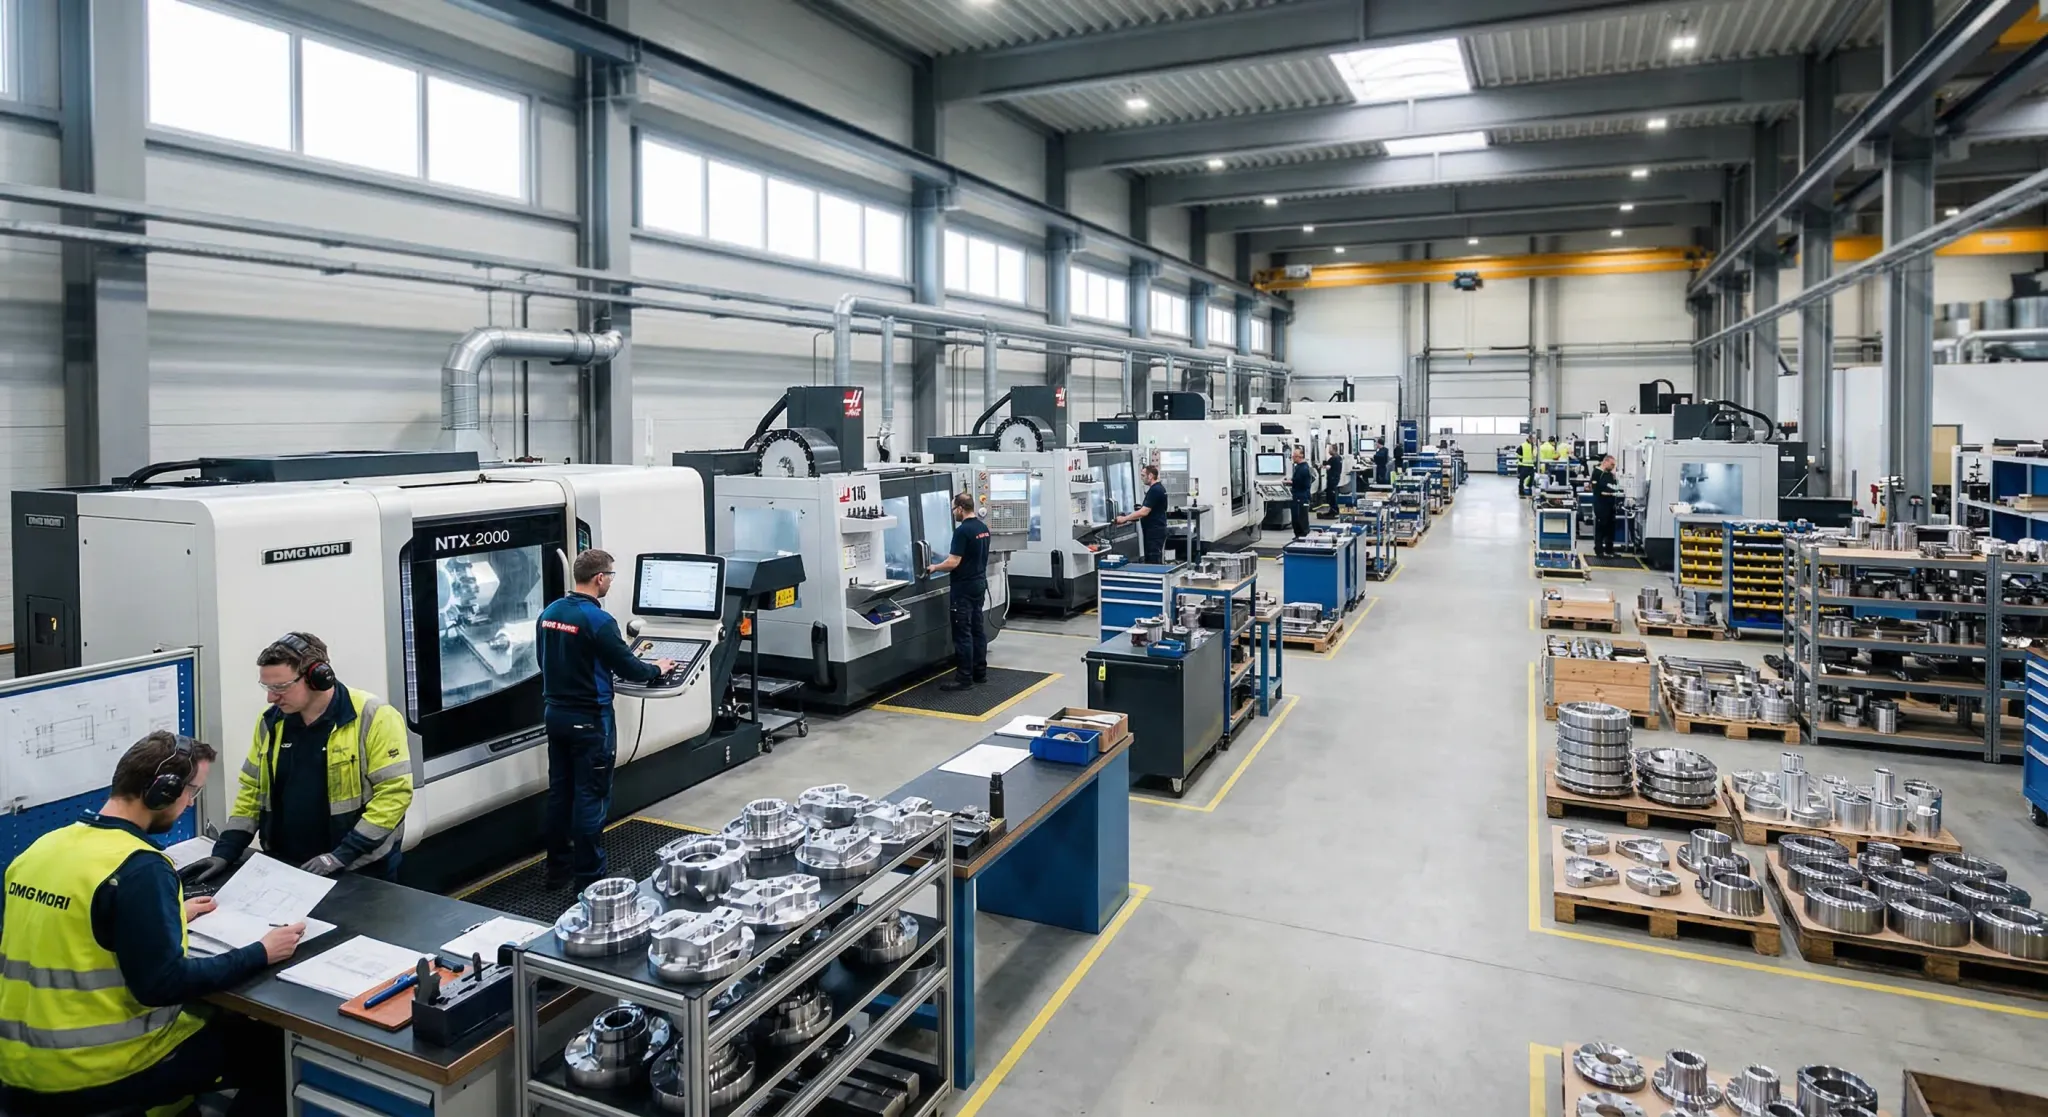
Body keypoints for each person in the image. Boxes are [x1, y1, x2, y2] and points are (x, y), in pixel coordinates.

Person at [0, 732, 304, 1117]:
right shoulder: (139, 867)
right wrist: (262, 951)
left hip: (18, 1067)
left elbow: (78, 924)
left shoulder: (41, 850)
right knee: (270, 1048)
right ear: (163, 791)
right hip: (95, 1071)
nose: (189, 802)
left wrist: (171, 913)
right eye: (191, 792)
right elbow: (163, 984)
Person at [208, 632, 413, 882]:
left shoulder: (374, 717)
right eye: (267, 687)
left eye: (280, 687)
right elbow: (252, 791)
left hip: (359, 869)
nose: (271, 697)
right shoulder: (271, 721)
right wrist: (226, 850)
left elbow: (394, 794)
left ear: (318, 678)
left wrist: (341, 855)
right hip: (288, 864)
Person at [536, 551, 674, 890]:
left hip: (555, 715)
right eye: (610, 575)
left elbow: (544, 661)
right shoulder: (599, 621)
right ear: (599, 578)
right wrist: (659, 668)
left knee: (560, 794)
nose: (611, 580)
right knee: (590, 797)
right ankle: (589, 880)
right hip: (591, 720)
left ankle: (557, 871)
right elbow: (630, 668)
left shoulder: (549, 613)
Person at [928, 492, 991, 692]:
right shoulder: (983, 528)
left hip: (963, 588)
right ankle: (980, 673)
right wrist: (941, 557)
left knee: (962, 632)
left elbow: (954, 562)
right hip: (979, 584)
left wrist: (934, 568)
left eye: (954, 509)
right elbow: (969, 556)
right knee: (977, 630)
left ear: (960, 509)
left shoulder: (962, 531)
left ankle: (964, 678)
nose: (953, 513)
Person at [1115, 463, 1169, 564]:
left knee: (1154, 560)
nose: (1141, 478)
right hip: (1154, 530)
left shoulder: (1155, 490)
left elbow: (1144, 512)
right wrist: (1139, 510)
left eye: (1143, 476)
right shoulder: (1158, 488)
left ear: (1151, 476)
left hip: (1155, 532)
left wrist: (1124, 519)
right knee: (1151, 558)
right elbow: (1150, 509)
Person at [1590, 454, 1621, 558]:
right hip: (1601, 505)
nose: (1613, 466)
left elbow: (1615, 487)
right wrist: (1611, 494)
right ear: (1606, 462)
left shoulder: (1610, 475)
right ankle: (1599, 550)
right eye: (1612, 464)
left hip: (1610, 505)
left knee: (1610, 528)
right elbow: (1597, 490)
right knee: (1601, 528)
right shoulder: (1597, 473)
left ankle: (1609, 549)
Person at [1289, 447, 1314, 539]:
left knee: (1300, 518)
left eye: (1295, 456)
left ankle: (1302, 536)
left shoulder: (1303, 469)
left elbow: (1301, 482)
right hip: (1298, 495)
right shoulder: (1300, 467)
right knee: (1296, 517)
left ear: (1300, 456)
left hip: (1301, 496)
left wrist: (1291, 482)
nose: (1293, 458)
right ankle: (1299, 535)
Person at [1322, 442, 1345, 517]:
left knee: (1330, 495)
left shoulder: (1333, 459)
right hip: (1336, 478)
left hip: (1332, 479)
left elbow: (1328, 467)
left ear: (1334, 450)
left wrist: (1321, 466)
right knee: (1333, 494)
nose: (1328, 451)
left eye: (1329, 449)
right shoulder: (1339, 457)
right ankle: (1333, 509)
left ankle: (1334, 510)